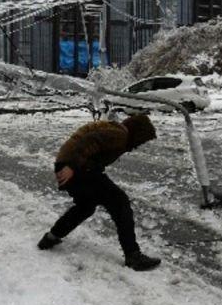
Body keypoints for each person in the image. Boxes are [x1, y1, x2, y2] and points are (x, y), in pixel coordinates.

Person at [37, 113, 162, 271]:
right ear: (138, 133)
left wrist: (70, 165)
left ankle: (51, 237)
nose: (138, 145)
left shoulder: (117, 130)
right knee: (120, 202)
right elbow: (88, 141)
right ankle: (133, 256)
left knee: (85, 206)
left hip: (71, 165)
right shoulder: (119, 134)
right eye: (142, 140)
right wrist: (72, 166)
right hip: (75, 167)